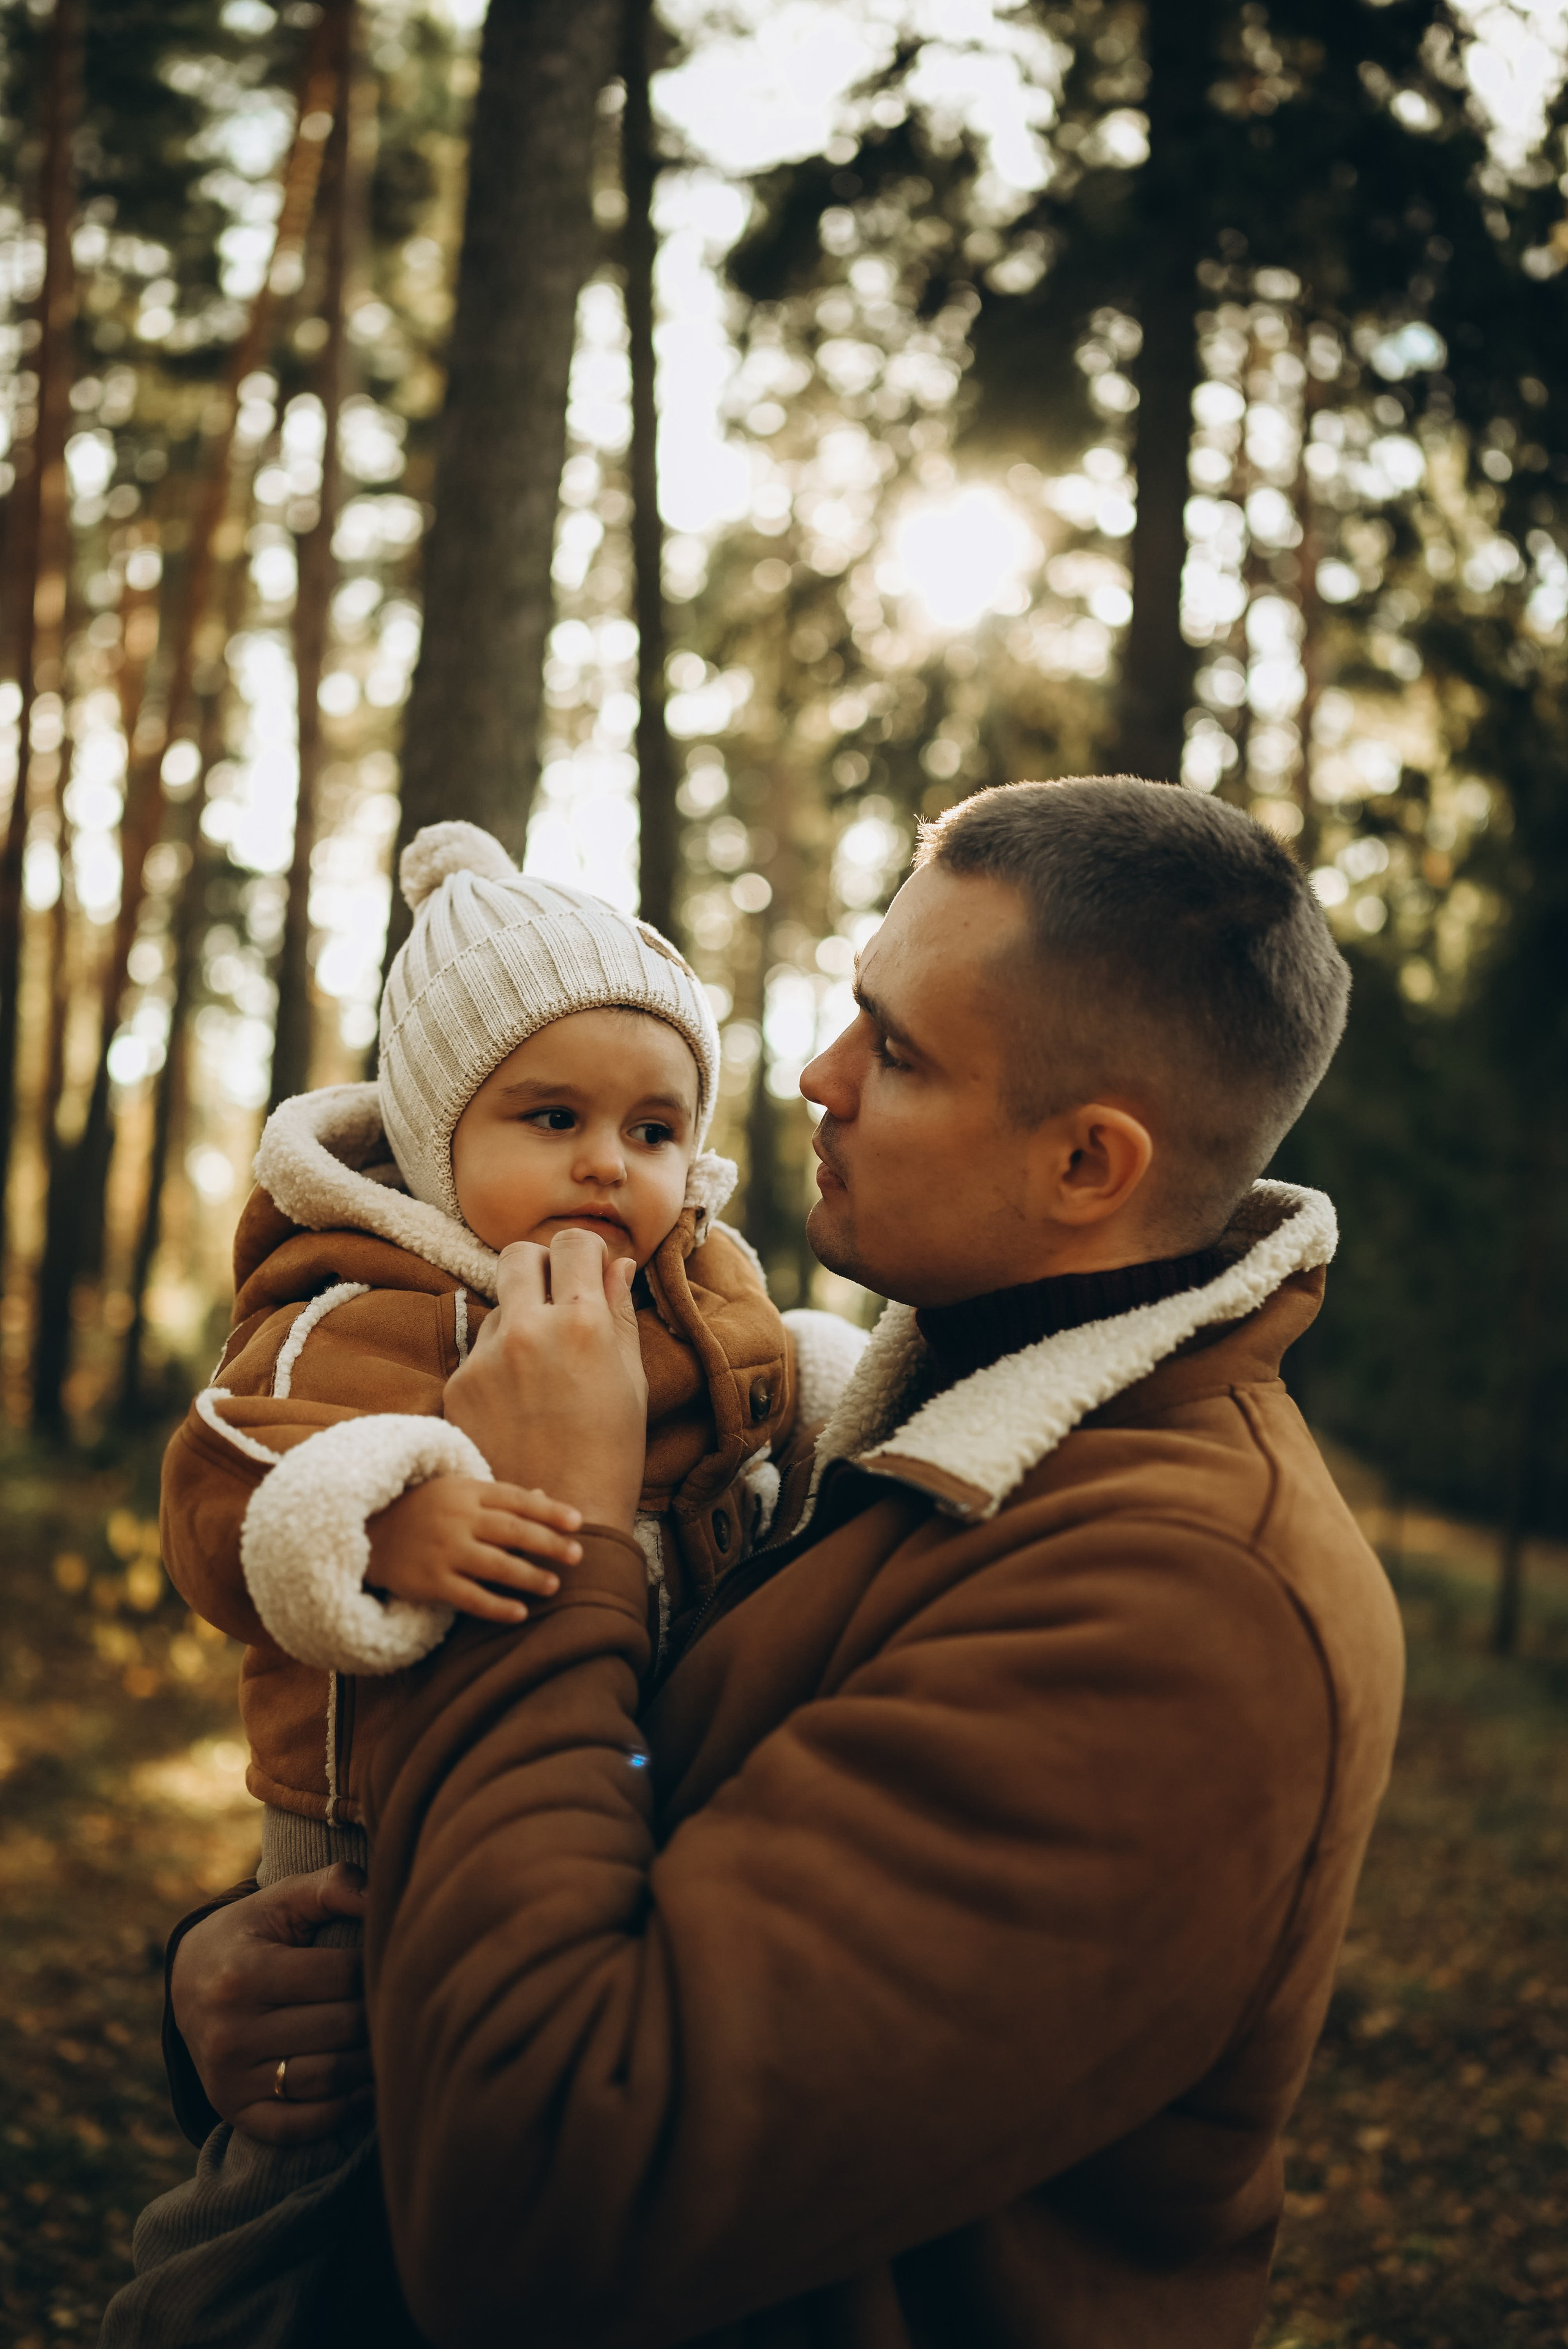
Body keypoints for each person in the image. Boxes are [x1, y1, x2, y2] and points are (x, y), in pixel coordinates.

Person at [151, 777, 1405, 2349]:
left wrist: (561, 1532)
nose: (814, 1076)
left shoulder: (1186, 1605)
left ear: (1087, 1164)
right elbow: (631, 1814)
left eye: (892, 1048)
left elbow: (549, 2195)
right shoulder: (895, 1431)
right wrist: (247, 1974)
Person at [101, 820, 861, 2345]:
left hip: (617, 1780)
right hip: (361, 1809)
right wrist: (371, 1523)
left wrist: (872, 1400)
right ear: (442, 1129)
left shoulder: (696, 1293)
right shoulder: (357, 1312)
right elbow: (217, 1483)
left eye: (654, 1130)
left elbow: (789, 1381)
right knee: (306, 2154)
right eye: (553, 1114)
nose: (608, 1161)